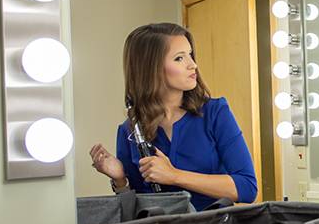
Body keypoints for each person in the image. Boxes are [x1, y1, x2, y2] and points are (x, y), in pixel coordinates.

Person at [90, 23, 258, 210]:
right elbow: (134, 210)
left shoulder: (215, 113)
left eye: (190, 55)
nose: (192, 64)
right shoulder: (129, 130)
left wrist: (174, 175)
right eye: (179, 58)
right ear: (150, 68)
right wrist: (120, 179)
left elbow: (247, 187)